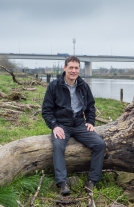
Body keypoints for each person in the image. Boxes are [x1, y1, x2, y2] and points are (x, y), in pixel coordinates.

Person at [42, 56, 105, 196]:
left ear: (79, 70)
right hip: (61, 124)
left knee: (100, 144)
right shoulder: (54, 86)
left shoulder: (83, 86)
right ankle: (62, 183)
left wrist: (90, 121)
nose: (73, 70)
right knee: (58, 145)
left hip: (79, 124)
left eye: (76, 68)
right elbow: (46, 110)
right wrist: (54, 126)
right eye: (71, 67)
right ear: (65, 68)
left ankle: (92, 181)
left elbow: (90, 106)